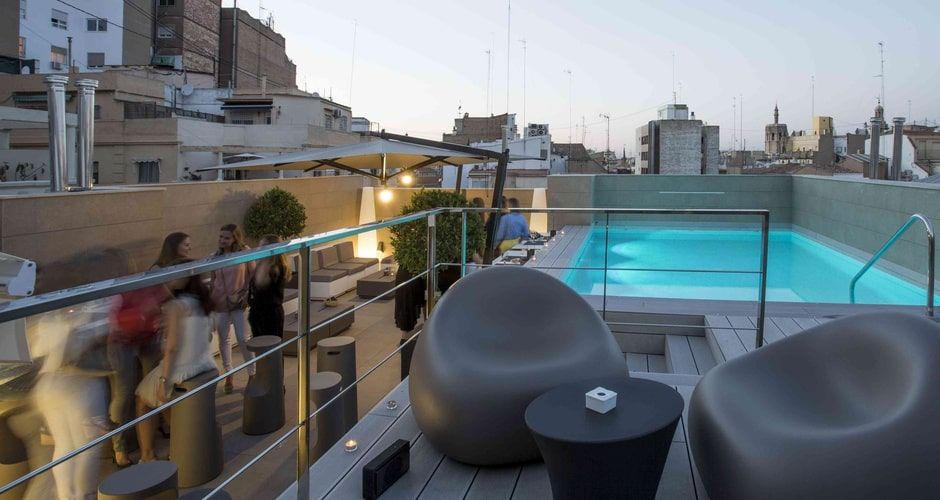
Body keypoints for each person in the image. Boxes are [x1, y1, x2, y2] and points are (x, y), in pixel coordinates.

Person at [134, 259, 216, 463]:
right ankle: (177, 445)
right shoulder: (203, 302)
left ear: (184, 278)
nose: (168, 279)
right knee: (166, 401)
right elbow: (208, 337)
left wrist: (164, 381)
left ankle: (147, 455)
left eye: (173, 274)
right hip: (205, 364)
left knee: (142, 400)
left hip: (183, 369)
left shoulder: (176, 306)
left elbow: (171, 348)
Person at [209, 224, 254, 393]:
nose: (222, 240)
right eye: (221, 237)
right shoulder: (214, 257)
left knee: (243, 338)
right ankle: (229, 373)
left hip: (239, 301)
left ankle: (252, 373)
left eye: (226, 237)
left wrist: (246, 295)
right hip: (220, 302)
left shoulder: (245, 252)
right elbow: (213, 280)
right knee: (224, 339)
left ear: (235, 238)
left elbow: (252, 274)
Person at [248, 235, 289, 339]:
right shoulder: (262, 265)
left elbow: (260, 284)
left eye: (262, 246)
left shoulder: (274, 268)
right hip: (258, 313)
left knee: (271, 344)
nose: (258, 249)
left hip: (269, 315)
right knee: (262, 344)